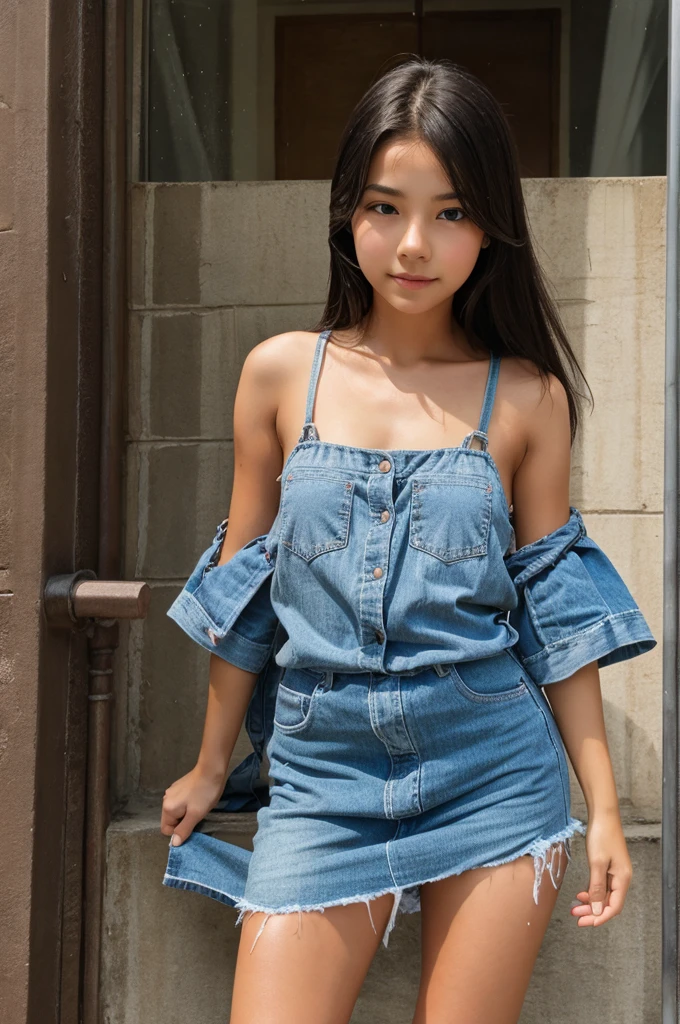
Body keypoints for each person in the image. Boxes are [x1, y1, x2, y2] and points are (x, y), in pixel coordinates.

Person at [159, 58, 656, 1024]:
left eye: (453, 213)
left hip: (492, 769)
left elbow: (556, 609)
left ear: (492, 228)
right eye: (386, 207)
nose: (414, 243)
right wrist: (214, 762)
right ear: (348, 212)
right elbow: (244, 591)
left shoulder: (526, 398)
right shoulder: (278, 376)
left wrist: (602, 807)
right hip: (320, 775)